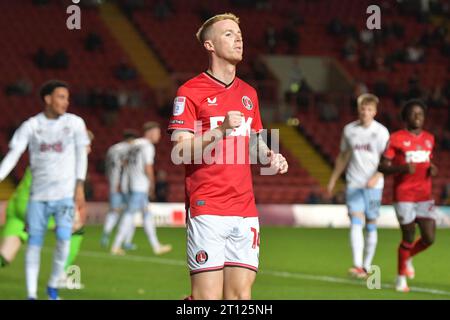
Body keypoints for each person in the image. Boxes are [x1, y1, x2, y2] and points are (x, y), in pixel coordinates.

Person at [168, 13, 288, 300]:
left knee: (239, 298)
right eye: (229, 34)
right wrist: (220, 130)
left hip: (245, 207)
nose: (239, 39)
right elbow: (179, 150)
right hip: (207, 205)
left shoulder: (249, 93)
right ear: (209, 45)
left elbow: (254, 144)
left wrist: (271, 157)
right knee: (206, 299)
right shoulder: (190, 92)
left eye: (240, 34)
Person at [0, 80, 90, 300]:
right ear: (47, 99)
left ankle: (52, 286)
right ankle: (31, 294)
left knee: (64, 242)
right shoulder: (31, 126)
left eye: (67, 98)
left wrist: (79, 185)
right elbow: (13, 155)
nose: (65, 102)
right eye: (61, 97)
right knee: (34, 244)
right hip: (37, 197)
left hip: (64, 197)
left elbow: (81, 155)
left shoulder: (75, 123)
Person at [0, 130, 94, 281]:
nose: (89, 149)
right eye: (87, 145)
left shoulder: (46, 152)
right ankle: (61, 274)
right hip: (39, 206)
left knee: (5, 255)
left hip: (18, 204)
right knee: (76, 228)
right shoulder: (68, 162)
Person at [327, 94, 390, 279]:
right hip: (354, 182)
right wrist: (333, 178)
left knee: (371, 224)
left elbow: (388, 160)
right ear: (359, 109)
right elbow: (343, 155)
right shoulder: (349, 130)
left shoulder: (381, 132)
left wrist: (377, 175)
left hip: (374, 186)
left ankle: (367, 264)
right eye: (363, 108)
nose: (365, 112)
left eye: (369, 109)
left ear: (375, 112)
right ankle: (357, 265)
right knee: (355, 220)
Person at [379, 99, 438, 293]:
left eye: (420, 114)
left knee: (429, 238)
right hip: (404, 195)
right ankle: (400, 278)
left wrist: (432, 169)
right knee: (408, 236)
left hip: (425, 195)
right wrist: (401, 168)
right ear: (406, 117)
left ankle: (408, 257)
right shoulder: (396, 138)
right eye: (413, 114)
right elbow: (382, 166)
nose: (418, 117)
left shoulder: (429, 138)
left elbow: (426, 161)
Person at [110, 122, 172, 256]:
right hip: (140, 185)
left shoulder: (134, 144)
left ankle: (156, 246)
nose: (159, 136)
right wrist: (152, 183)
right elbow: (148, 167)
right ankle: (116, 245)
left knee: (146, 215)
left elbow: (123, 163)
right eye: (157, 132)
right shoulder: (147, 146)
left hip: (131, 184)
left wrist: (126, 180)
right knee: (129, 214)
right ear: (150, 133)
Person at [101, 129, 139, 249]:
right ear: (132, 139)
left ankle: (106, 234)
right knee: (130, 213)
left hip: (114, 184)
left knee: (114, 211)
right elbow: (127, 166)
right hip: (126, 185)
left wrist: (112, 181)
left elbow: (107, 166)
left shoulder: (112, 149)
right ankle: (127, 241)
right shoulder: (131, 149)